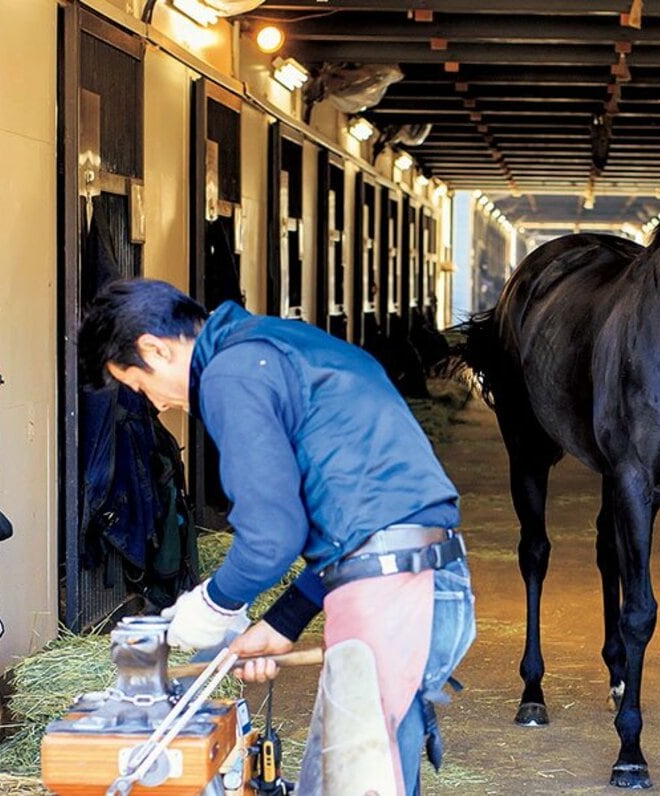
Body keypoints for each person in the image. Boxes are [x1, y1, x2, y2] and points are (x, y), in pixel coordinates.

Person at [79, 279, 475, 795]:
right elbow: (347, 520)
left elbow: (272, 536)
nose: (155, 403)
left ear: (154, 348)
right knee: (371, 775)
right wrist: (282, 621)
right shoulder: (278, 345)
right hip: (412, 571)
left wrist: (215, 603)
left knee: (362, 784)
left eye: (137, 384)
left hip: (391, 585)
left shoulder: (231, 374)